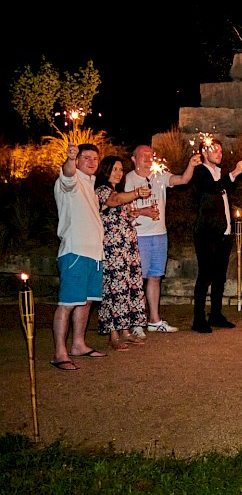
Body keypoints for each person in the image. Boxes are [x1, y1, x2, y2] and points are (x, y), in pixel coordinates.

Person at [125, 144, 200, 335]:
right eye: (144, 155)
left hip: (159, 234)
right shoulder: (128, 179)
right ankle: (135, 321)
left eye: (151, 155)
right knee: (137, 279)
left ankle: (154, 320)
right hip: (139, 234)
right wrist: (143, 211)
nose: (149, 158)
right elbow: (121, 207)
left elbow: (183, 179)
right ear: (134, 159)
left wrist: (191, 164)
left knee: (155, 277)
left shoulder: (159, 175)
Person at [51, 143, 108, 370]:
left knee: (86, 302)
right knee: (67, 303)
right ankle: (59, 353)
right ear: (77, 160)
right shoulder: (70, 181)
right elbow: (66, 174)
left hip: (94, 255)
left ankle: (78, 344)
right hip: (75, 252)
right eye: (86, 158)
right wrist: (71, 159)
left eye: (95, 158)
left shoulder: (91, 187)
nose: (92, 162)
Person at [95, 156, 151, 351]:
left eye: (120, 170)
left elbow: (124, 211)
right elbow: (114, 201)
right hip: (113, 249)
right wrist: (136, 193)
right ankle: (114, 335)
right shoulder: (102, 191)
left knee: (130, 287)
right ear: (106, 171)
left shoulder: (118, 191)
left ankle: (126, 330)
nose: (119, 173)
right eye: (115, 169)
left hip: (127, 248)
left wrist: (141, 212)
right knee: (115, 289)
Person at [190, 139, 242, 333]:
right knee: (205, 275)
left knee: (219, 277)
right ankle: (198, 319)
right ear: (204, 152)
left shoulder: (220, 173)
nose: (219, 154)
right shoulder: (199, 172)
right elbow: (214, 188)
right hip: (206, 232)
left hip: (224, 231)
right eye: (215, 150)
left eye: (221, 151)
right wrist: (235, 173)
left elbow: (224, 190)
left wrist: (231, 175)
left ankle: (215, 314)